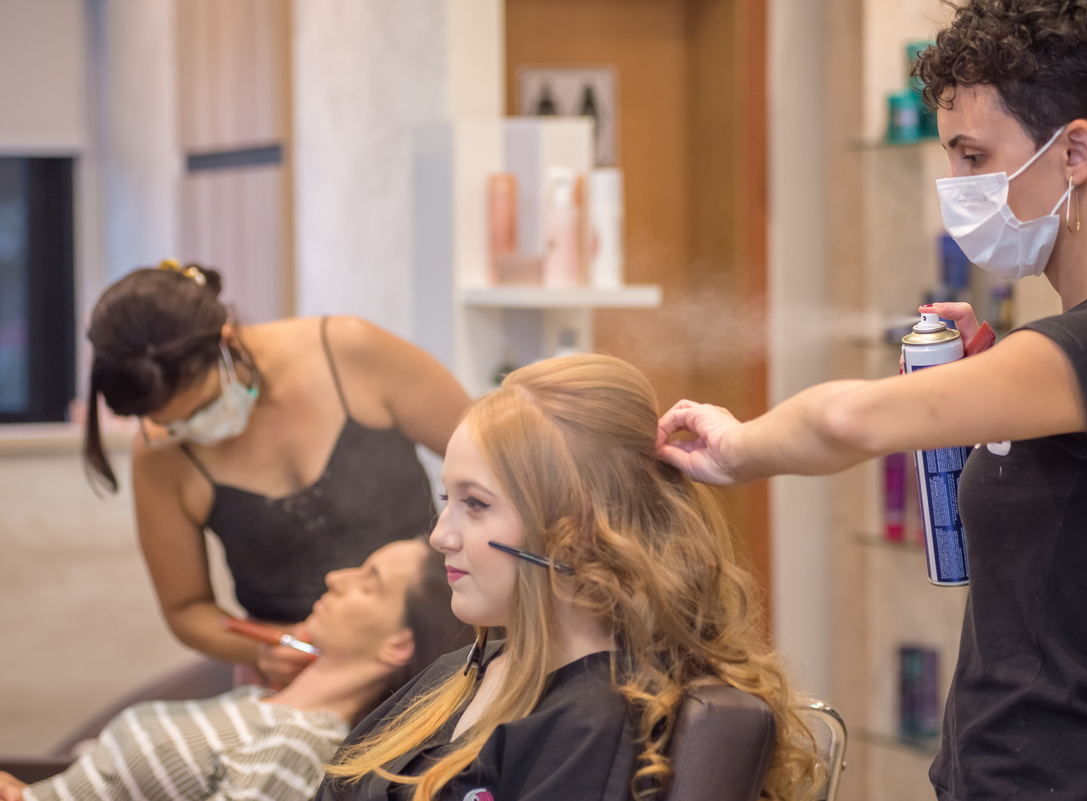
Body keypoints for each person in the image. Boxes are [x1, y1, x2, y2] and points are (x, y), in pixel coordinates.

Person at [657, 2, 1087, 799]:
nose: (957, 188)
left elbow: (849, 419)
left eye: (975, 157)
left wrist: (738, 447)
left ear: (1077, 152)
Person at [314, 354, 824, 801]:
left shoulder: (594, 725)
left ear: (577, 529)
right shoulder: (461, 672)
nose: (440, 536)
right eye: (449, 499)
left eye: (476, 504)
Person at [84, 261, 471, 687]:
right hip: (303, 673)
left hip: (444, 638)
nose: (198, 430)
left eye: (204, 406)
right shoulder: (161, 454)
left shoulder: (351, 353)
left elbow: (492, 462)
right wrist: (265, 649)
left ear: (227, 341)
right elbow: (186, 609)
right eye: (177, 425)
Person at [0, 540, 474, 801]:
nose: (336, 578)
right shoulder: (261, 703)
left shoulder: (300, 742)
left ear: (398, 645)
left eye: (368, 584)